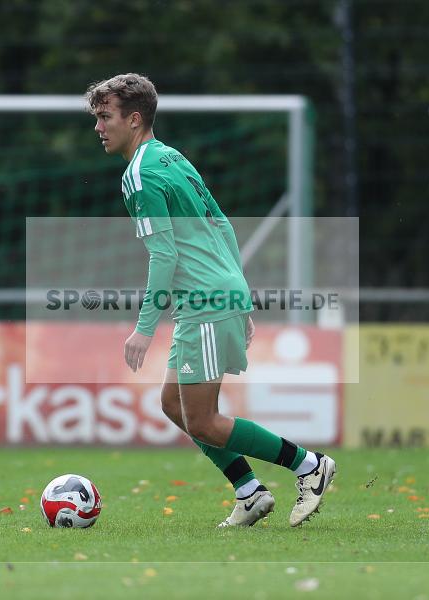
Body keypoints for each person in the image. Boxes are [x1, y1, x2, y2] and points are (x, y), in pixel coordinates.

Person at [86, 73, 335, 528]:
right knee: (173, 404)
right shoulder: (171, 157)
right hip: (216, 294)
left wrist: (143, 329)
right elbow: (222, 223)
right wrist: (240, 292)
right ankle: (249, 492)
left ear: (134, 119)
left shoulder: (139, 176)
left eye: (105, 117)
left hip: (204, 302)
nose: (98, 127)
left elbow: (164, 255)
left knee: (202, 420)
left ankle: (309, 465)